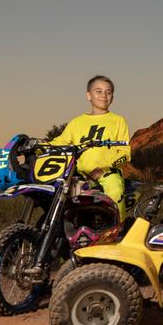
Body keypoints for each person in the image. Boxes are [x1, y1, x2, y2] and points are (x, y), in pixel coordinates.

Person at [51, 75, 131, 220]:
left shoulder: (118, 121)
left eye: (108, 92)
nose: (104, 96)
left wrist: (104, 168)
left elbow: (125, 153)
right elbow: (60, 142)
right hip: (79, 174)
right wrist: (39, 146)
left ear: (112, 97)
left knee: (115, 190)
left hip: (107, 174)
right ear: (89, 95)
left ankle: (117, 230)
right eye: (98, 91)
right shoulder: (77, 122)